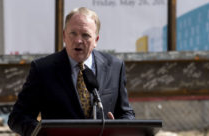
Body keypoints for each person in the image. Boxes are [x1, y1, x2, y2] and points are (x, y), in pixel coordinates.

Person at [8, 7, 135, 136]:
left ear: (96, 40)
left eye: (85, 35)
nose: (78, 40)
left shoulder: (115, 67)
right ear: (64, 35)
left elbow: (126, 113)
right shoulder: (43, 69)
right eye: (73, 33)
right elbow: (17, 117)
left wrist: (118, 128)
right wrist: (44, 133)